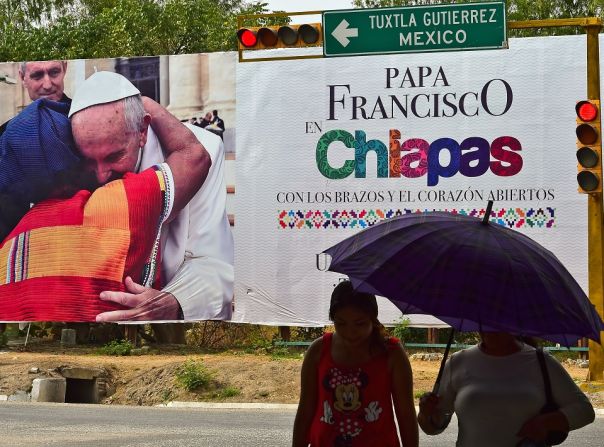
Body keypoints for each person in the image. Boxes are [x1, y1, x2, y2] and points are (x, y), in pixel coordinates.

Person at [0, 97, 203, 321]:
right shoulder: (122, 202)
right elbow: (194, 155)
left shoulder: (9, 244)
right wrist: (143, 101)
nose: (101, 174)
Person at [68, 71, 234, 322]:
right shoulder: (64, 154)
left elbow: (214, 263)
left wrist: (175, 300)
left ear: (142, 130)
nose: (101, 175)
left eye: (114, 157)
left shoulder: (204, 149)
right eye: (90, 161)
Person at [292, 280, 419, 447]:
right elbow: (305, 411)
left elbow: (406, 415)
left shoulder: (392, 354)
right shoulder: (318, 351)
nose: (350, 332)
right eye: (341, 323)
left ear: (373, 319)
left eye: (360, 323)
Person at [418, 332, 595, 447]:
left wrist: (546, 422)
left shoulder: (541, 362)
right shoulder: (459, 362)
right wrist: (427, 413)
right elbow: (433, 427)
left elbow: (585, 410)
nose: (489, 327)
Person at [0, 60, 69, 137]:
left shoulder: (82, 120)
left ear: (65, 68)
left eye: (54, 72)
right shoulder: (7, 133)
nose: (47, 85)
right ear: (23, 78)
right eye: (37, 75)